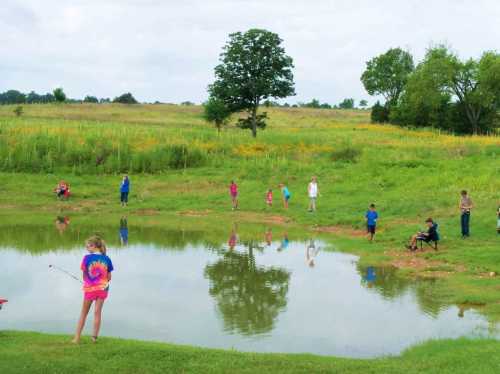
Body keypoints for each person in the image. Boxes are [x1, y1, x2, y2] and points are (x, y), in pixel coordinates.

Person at [72, 236, 114, 344]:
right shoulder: (107, 259)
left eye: (88, 246)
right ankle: (94, 339)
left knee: (83, 313)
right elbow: (109, 277)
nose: (86, 248)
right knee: (97, 313)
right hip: (103, 289)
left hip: (90, 289)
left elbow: (84, 275)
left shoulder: (86, 258)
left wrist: (89, 282)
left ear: (94, 246)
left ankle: (76, 338)